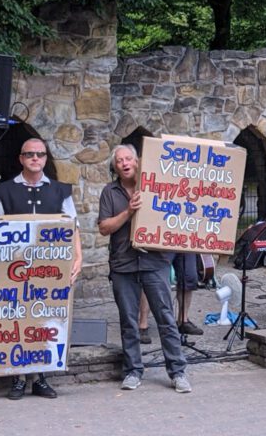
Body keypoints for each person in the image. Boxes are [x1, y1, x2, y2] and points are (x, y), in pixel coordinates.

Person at [0, 137, 83, 400]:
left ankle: (41, 378)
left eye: (40, 154)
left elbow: (73, 226)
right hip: (14, 269)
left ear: (46, 159)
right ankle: (18, 378)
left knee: (44, 320)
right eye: (29, 154)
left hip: (50, 269)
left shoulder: (61, 191)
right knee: (17, 318)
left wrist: (79, 256)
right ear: (21, 158)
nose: (35, 158)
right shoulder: (5, 191)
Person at [97, 144, 191, 394]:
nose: (125, 163)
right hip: (123, 264)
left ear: (137, 161)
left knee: (165, 317)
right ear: (115, 166)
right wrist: (129, 212)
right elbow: (104, 227)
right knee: (128, 321)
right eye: (119, 161)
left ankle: (178, 371)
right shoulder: (110, 192)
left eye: (129, 158)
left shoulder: (156, 185)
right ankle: (133, 371)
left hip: (154, 262)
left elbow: (177, 214)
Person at [173, 253, 202, 336]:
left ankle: (183, 321)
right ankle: (142, 324)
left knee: (189, 276)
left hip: (187, 243)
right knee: (151, 277)